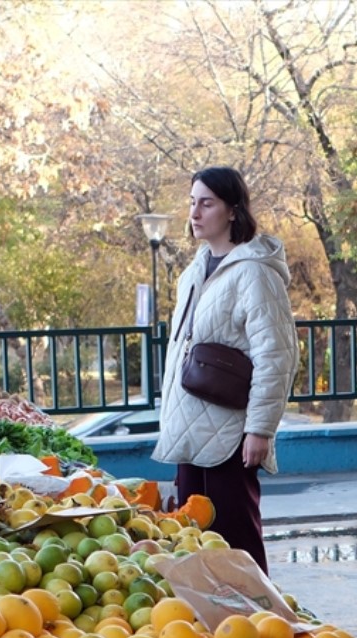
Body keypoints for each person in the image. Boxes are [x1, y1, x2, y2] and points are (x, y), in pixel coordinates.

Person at [152, 166, 298, 573]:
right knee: (192, 542)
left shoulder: (254, 272)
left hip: (229, 433)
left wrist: (260, 429)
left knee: (238, 545)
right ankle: (210, 633)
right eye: (192, 202)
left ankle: (262, 629)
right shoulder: (195, 271)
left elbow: (276, 354)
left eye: (207, 203)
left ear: (232, 211)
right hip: (188, 428)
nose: (195, 213)